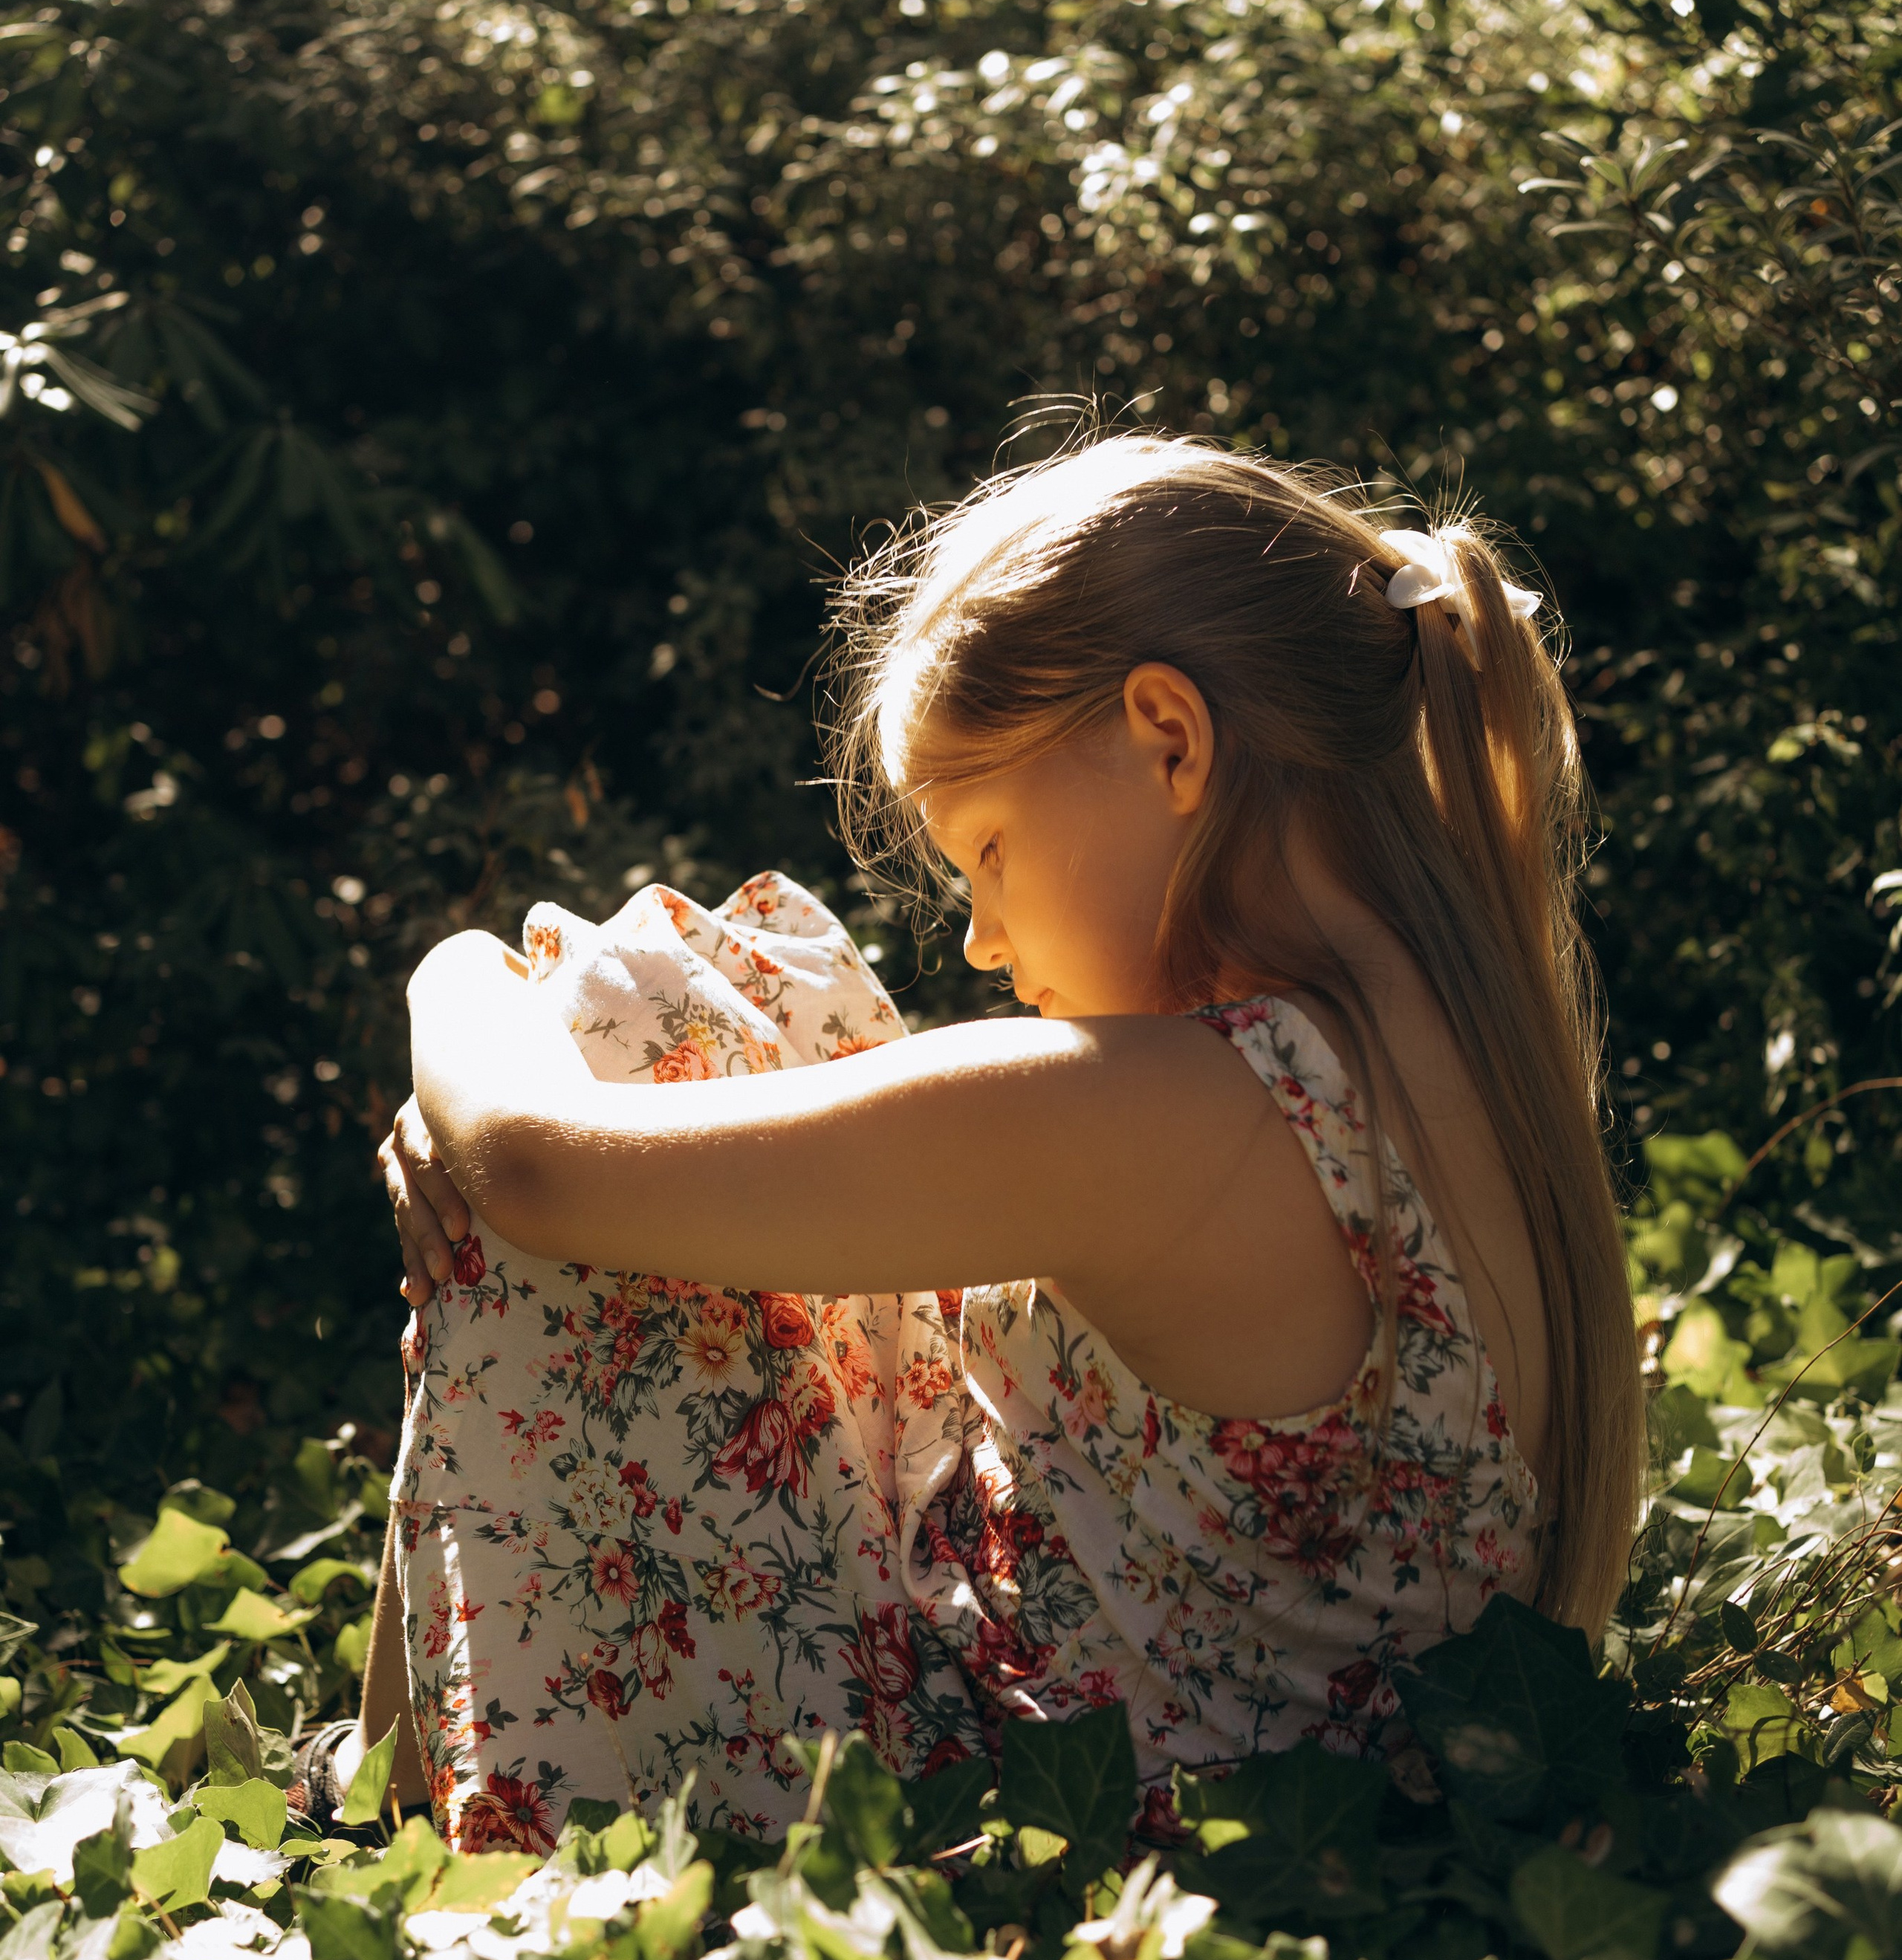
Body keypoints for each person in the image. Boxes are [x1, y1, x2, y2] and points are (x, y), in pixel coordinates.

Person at [380, 433, 1645, 1820]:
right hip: (1303, 1813)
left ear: (1171, 741)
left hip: (1010, 1811)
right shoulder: (1458, 1050)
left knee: (610, 1018)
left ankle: (379, 1798)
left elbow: (532, 1160)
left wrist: (460, 973)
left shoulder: (1171, 1115)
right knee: (742, 1008)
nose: (981, 936)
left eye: (986, 846)